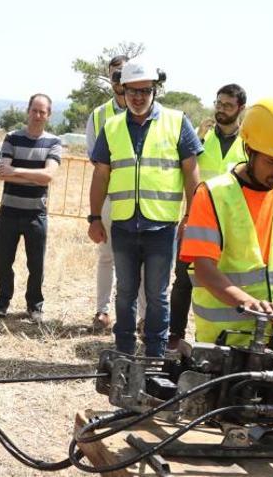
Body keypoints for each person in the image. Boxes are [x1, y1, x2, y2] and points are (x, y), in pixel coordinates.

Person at [180, 98, 273, 349]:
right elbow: (204, 269)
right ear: (249, 148)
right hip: (229, 340)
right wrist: (249, 302)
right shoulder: (213, 194)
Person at [87, 60, 202, 357]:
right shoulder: (111, 127)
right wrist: (95, 217)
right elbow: (101, 174)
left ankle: (155, 354)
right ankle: (124, 351)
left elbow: (191, 172)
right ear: (122, 90)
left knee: (157, 296)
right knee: (124, 294)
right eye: (132, 91)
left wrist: (191, 216)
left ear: (155, 90)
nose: (138, 97)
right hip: (123, 225)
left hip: (161, 227)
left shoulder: (177, 122)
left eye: (145, 91)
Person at [168, 84, 247, 350]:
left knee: (226, 281)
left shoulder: (249, 143)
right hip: (198, 219)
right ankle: (175, 335)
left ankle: (223, 340)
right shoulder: (201, 138)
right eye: (219, 103)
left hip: (233, 225)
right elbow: (187, 171)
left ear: (240, 109)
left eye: (228, 105)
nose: (221, 109)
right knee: (183, 280)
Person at [85, 55, 146, 331]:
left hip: (144, 199)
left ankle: (145, 318)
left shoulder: (149, 110)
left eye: (123, 74)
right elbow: (96, 161)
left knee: (144, 261)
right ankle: (102, 311)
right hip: (111, 197)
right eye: (114, 75)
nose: (119, 80)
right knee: (107, 256)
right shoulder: (98, 116)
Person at [0, 94, 61, 324]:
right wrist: (33, 174)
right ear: (28, 111)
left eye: (43, 112)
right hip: (9, 212)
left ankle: (34, 306)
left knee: (36, 264)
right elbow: (3, 173)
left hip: (36, 214)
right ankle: (2, 303)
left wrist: (17, 172)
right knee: (3, 262)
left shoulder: (54, 142)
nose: (38, 115)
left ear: (48, 115)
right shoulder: (12, 138)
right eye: (35, 110)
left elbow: (48, 176)